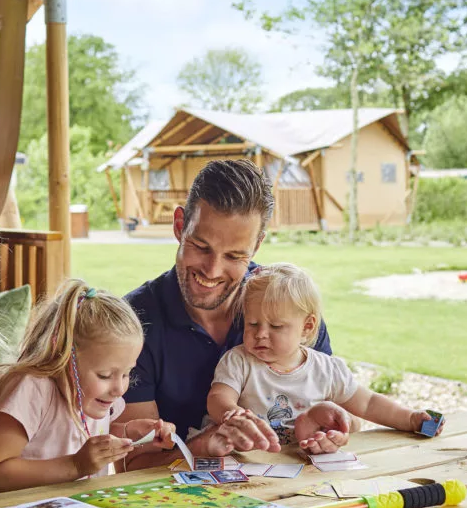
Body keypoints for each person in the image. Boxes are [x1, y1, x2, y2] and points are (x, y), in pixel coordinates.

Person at [118, 159, 351, 467]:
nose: (212, 271)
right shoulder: (134, 322)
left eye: (234, 256)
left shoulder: (287, 308)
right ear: (179, 226)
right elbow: (130, 465)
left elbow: (339, 415)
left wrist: (329, 431)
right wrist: (201, 446)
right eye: (201, 247)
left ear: (256, 246)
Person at [0, 280, 174, 492]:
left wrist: (131, 434)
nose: (120, 389)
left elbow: (83, 435)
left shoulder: (93, 397)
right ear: (64, 355)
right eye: (105, 375)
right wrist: (75, 465)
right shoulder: (32, 390)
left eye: (127, 373)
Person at [207, 263, 438, 448]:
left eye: (276, 326)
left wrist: (409, 419)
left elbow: (367, 403)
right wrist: (232, 413)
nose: (261, 335)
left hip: (303, 464)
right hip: (249, 462)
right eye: (253, 324)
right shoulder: (239, 361)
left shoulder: (326, 370)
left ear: (307, 327)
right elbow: (218, 397)